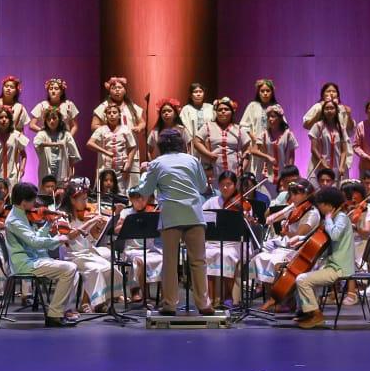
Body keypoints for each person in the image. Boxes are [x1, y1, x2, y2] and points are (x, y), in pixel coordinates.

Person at [128, 128, 215, 316]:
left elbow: (145, 191)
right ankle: (204, 304)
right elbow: (202, 187)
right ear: (181, 144)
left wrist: (145, 172)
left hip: (170, 216)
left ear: (160, 146)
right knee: (198, 261)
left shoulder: (156, 163)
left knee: (169, 262)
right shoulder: (192, 160)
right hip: (193, 214)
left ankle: (170, 305)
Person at [3, 182, 80, 327]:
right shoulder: (14, 221)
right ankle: (54, 315)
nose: (35, 203)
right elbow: (34, 242)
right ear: (24, 202)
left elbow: (34, 237)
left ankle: (61, 310)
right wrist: (59, 239)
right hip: (25, 264)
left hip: (33, 259)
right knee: (69, 269)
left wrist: (48, 224)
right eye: (33, 200)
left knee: (73, 271)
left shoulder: (21, 215)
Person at [293, 186, 355, 329]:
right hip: (332, 265)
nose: (319, 207)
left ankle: (316, 315)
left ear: (328, 205)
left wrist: (327, 219)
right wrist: (301, 240)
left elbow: (335, 235)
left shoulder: (341, 217)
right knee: (303, 275)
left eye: (320, 204)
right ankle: (307, 312)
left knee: (302, 280)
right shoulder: (335, 218)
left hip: (339, 268)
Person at [58, 181, 121, 312]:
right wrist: (91, 222)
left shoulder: (82, 216)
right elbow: (69, 236)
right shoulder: (62, 216)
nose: (86, 203)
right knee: (95, 270)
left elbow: (88, 239)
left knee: (111, 269)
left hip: (87, 253)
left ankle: (103, 301)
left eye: (86, 199)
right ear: (72, 200)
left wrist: (98, 228)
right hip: (72, 255)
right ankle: (90, 303)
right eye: (83, 199)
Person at [252, 178, 320, 295]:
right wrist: (282, 212)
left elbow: (299, 237)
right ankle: (270, 295)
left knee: (273, 261)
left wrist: (286, 232)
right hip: (286, 247)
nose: (292, 198)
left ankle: (281, 297)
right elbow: (270, 219)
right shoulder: (295, 208)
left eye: (295, 194)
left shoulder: (312, 213)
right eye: (291, 194)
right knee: (259, 257)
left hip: (300, 251)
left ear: (307, 194)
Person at [202, 171, 248, 307]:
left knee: (226, 255)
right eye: (222, 185)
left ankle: (228, 296)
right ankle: (210, 299)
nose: (225, 188)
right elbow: (201, 216)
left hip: (234, 243)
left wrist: (246, 218)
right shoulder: (212, 201)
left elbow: (247, 224)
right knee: (206, 255)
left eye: (229, 184)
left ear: (235, 185)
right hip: (214, 242)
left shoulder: (241, 203)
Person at [115, 190, 163, 303]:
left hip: (150, 249)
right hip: (132, 250)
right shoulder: (126, 213)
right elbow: (117, 230)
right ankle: (144, 295)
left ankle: (164, 296)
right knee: (140, 261)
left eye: (143, 198)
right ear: (131, 200)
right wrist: (127, 223)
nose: (140, 201)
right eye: (137, 199)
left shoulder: (152, 212)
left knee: (164, 259)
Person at [193, 97, 252, 187]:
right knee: (215, 193)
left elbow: (248, 149)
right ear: (216, 112)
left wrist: (242, 168)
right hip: (213, 170)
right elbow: (197, 142)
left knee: (232, 194)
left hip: (233, 171)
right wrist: (209, 154)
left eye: (226, 109)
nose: (223, 111)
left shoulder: (238, 129)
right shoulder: (208, 126)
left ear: (232, 112)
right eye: (220, 110)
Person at [91, 77, 145, 171]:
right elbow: (94, 126)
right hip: (110, 148)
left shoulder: (131, 106)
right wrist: (110, 131)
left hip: (130, 147)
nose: (117, 90)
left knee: (131, 175)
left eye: (120, 88)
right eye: (114, 88)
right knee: (109, 175)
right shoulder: (104, 107)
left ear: (125, 90)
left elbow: (142, 122)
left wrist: (139, 128)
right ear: (109, 91)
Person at [87, 102, 138, 189]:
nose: (112, 115)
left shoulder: (125, 130)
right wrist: (105, 152)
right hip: (106, 167)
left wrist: (129, 163)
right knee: (105, 190)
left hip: (121, 167)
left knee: (121, 190)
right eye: (109, 113)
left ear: (119, 115)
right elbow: (89, 143)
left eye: (114, 112)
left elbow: (133, 146)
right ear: (106, 116)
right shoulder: (101, 130)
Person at [0, 106, 29, 188]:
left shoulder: (16, 135)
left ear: (10, 120)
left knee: (12, 195)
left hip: (12, 176)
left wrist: (22, 168)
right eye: (1, 117)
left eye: (6, 117)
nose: (4, 120)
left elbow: (23, 155)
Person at [33, 106, 81, 184]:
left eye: (54, 118)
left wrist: (70, 170)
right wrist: (54, 144)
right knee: (47, 188)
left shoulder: (66, 134)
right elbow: (37, 143)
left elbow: (72, 154)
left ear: (59, 119)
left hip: (62, 171)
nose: (51, 121)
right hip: (46, 171)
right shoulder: (42, 133)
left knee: (61, 188)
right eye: (49, 119)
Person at [307, 99, 351, 181]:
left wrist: (341, 166)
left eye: (332, 108)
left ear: (336, 110)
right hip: (320, 165)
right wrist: (322, 161)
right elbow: (313, 148)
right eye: (326, 108)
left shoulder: (341, 128)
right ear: (323, 111)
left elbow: (344, 151)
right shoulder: (318, 126)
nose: (329, 111)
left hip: (337, 167)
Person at [239, 79, 277, 167]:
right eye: (262, 91)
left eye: (268, 91)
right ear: (258, 93)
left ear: (272, 92)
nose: (265, 93)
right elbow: (243, 125)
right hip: (255, 144)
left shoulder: (276, 107)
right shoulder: (252, 106)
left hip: (271, 144)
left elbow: (282, 126)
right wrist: (254, 138)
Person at [180, 82, 214, 147]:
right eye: (195, 92)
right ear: (191, 95)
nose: (198, 94)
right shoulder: (186, 109)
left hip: (209, 142)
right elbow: (184, 127)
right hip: (193, 143)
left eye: (200, 92)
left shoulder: (210, 107)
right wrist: (191, 141)